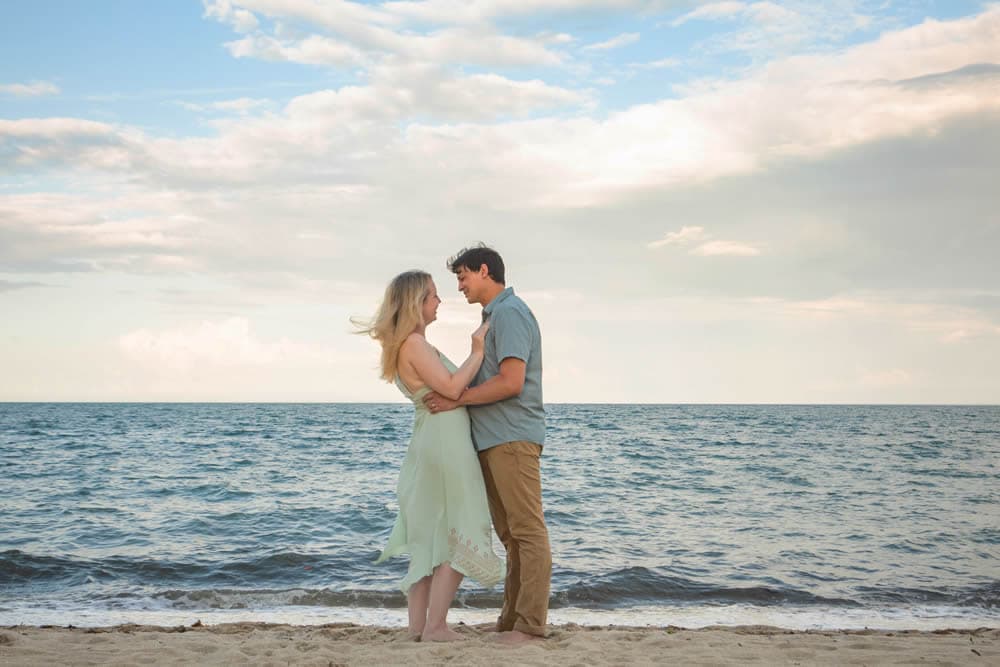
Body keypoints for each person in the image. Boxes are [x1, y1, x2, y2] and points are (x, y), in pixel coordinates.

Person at [355, 269, 503, 642]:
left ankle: (419, 628)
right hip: (444, 443)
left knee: (430, 535)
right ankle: (436, 627)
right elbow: (453, 387)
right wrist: (478, 352)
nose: (440, 301)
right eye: (434, 295)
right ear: (416, 303)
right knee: (463, 524)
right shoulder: (415, 345)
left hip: (431, 441)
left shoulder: (407, 345)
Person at [423, 245, 550, 644]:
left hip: (511, 436)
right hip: (495, 438)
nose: (459, 286)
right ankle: (511, 621)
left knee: (527, 532)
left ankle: (530, 626)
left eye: (462, 277)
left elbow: (512, 382)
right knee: (511, 535)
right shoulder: (493, 316)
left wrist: (456, 399)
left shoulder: (510, 314)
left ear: (483, 270)